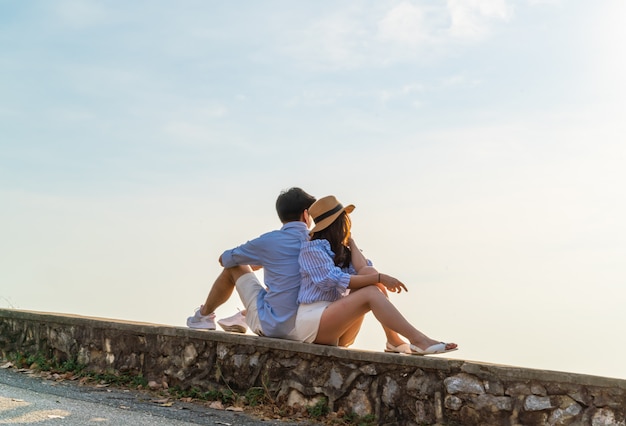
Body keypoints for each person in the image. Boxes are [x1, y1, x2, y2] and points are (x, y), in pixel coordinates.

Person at [293, 195, 458, 355]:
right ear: (339, 223)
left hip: (336, 324)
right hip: (314, 323)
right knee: (371, 288)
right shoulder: (312, 248)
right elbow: (332, 279)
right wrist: (380, 278)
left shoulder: (340, 250)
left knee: (369, 274)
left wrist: (351, 243)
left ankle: (393, 340)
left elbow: (364, 269)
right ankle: (418, 339)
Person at [186, 187, 316, 339]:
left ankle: (203, 316)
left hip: (273, 327)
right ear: (306, 215)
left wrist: (261, 259)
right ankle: (242, 317)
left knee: (235, 266)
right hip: (307, 329)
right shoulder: (319, 242)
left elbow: (225, 259)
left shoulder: (269, 241)